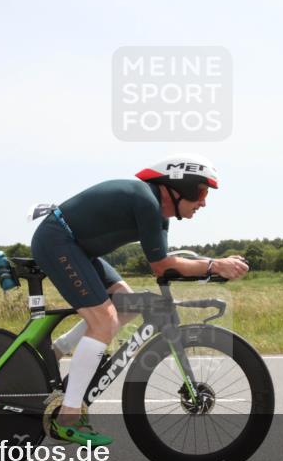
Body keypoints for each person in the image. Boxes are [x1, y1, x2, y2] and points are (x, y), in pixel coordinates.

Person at [30, 153, 250, 446]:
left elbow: (165, 263)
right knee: (104, 321)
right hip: (58, 240)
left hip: (77, 248)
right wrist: (214, 265)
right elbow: (161, 266)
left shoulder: (157, 214)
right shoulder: (146, 202)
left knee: (126, 302)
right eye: (201, 192)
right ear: (179, 186)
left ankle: (55, 352)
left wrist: (212, 266)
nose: (203, 203)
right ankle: (68, 417)